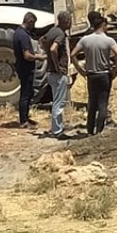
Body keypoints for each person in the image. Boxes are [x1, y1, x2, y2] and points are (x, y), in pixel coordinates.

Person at [73, 12, 117, 136]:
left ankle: (89, 130)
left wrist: (80, 70)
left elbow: (73, 54)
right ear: (103, 25)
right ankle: (99, 131)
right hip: (104, 75)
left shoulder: (85, 40)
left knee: (92, 103)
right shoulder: (108, 40)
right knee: (102, 104)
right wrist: (115, 70)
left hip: (91, 75)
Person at [41, 11, 73, 139]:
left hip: (50, 72)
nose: (70, 24)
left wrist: (47, 57)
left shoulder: (52, 31)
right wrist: (57, 65)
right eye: (70, 21)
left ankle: (56, 127)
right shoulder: (60, 34)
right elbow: (53, 49)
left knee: (56, 101)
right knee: (59, 103)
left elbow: (42, 41)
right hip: (58, 73)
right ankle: (57, 131)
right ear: (66, 22)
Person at [12, 12, 40, 128]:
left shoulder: (17, 33)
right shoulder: (23, 36)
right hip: (26, 68)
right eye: (33, 24)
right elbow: (27, 55)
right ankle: (23, 120)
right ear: (29, 22)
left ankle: (26, 117)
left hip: (21, 66)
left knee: (28, 92)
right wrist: (39, 57)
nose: (33, 27)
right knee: (26, 93)